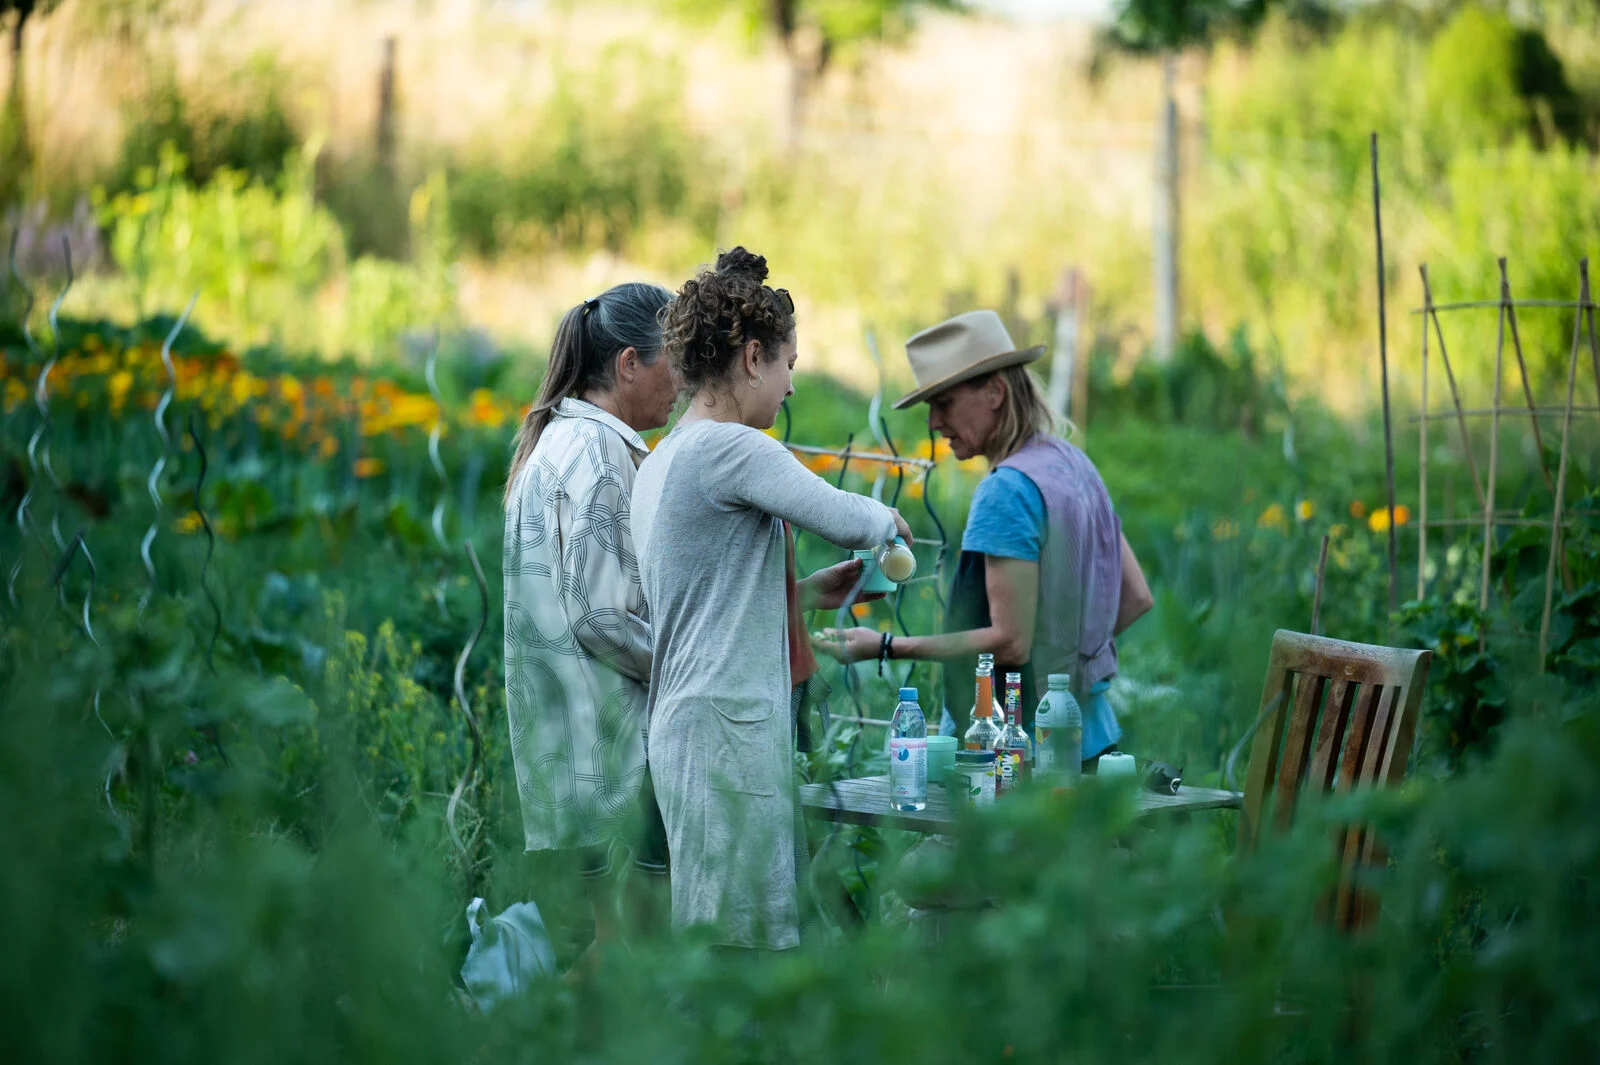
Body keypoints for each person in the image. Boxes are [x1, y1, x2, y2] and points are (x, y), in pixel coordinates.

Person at [630, 247, 913, 951]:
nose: (790, 387)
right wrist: (889, 524)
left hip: (686, 722)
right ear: (753, 357)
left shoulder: (665, 455)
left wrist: (803, 592)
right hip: (726, 726)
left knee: (713, 923)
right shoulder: (730, 447)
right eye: (788, 363)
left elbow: (700, 590)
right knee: (742, 941)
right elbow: (845, 513)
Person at [816, 310, 1154, 770]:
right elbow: (1135, 598)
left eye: (945, 403)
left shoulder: (1005, 490)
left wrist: (885, 646)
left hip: (1016, 746)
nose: (934, 422)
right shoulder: (1074, 465)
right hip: (1091, 734)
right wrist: (1067, 664)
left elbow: (1011, 643)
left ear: (994, 392)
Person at [502, 282, 678, 973]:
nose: (684, 383)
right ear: (629, 363)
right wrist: (683, 663)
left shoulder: (555, 443)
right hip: (606, 756)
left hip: (561, 753)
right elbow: (603, 615)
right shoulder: (601, 456)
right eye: (675, 364)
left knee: (600, 957)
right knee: (625, 959)